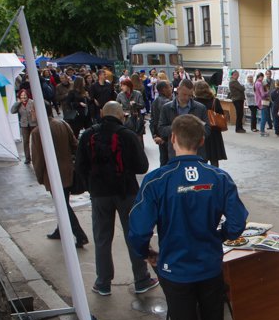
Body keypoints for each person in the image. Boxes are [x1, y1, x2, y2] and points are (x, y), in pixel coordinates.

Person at [128, 114, 248, 320]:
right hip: (209, 266)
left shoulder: (158, 180)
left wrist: (146, 254)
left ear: (173, 140)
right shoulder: (218, 177)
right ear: (202, 141)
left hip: (175, 270)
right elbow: (237, 223)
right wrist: (218, 236)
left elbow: (138, 231)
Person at [74, 101, 158, 296]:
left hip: (99, 194)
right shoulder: (127, 135)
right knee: (133, 235)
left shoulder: (88, 135)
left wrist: (90, 186)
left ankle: (102, 283)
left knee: (102, 238)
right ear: (121, 116)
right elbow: (142, 167)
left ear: (102, 113)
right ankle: (141, 279)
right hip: (126, 192)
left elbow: (79, 166)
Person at [31, 107, 89, 247]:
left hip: (53, 174)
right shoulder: (62, 124)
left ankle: (80, 235)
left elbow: (38, 159)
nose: (31, 113)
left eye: (33, 110)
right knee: (63, 203)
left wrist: (39, 176)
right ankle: (60, 230)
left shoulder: (38, 132)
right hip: (68, 171)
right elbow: (75, 145)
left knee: (63, 206)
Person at [158, 79, 210, 162]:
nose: (187, 98)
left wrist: (195, 130)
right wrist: (178, 128)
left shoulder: (201, 108)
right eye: (184, 94)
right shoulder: (166, 108)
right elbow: (161, 129)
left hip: (197, 153)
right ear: (178, 90)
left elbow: (207, 129)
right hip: (175, 154)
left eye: (190, 95)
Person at [194, 81, 228, 167]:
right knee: (214, 159)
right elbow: (221, 114)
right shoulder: (215, 101)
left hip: (200, 131)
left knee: (201, 158)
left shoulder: (194, 102)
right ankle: (214, 173)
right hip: (214, 132)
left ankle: (204, 173)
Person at [10, 89, 38, 164]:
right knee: (25, 141)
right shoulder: (19, 104)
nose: (23, 97)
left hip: (33, 124)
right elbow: (12, 111)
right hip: (24, 125)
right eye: (22, 95)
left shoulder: (32, 102)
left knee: (35, 141)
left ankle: (36, 156)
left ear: (27, 95)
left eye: (25, 95)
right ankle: (27, 158)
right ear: (19, 96)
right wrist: (18, 102)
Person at [151, 80, 173, 166]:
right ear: (164, 89)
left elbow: (153, 120)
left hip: (160, 136)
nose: (171, 88)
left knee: (163, 160)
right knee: (170, 161)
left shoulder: (154, 102)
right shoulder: (168, 103)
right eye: (169, 87)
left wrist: (155, 135)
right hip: (167, 137)